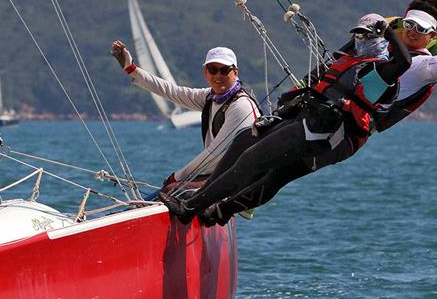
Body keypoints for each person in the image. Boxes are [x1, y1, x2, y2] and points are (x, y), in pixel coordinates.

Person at [194, 10, 437, 226]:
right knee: (251, 146)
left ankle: (215, 207)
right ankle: (216, 203)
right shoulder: (369, 52)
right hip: (317, 120)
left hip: (338, 136)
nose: (413, 31)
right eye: (408, 24)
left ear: (432, 37)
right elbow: (328, 75)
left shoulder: (422, 66)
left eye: (421, 28)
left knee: (274, 174)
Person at [160, 13, 412, 224]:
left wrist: (387, 30)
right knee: (246, 144)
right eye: (359, 34)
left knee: (253, 160)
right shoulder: (353, 58)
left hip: (323, 133)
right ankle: (217, 210)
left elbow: (406, 61)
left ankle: (190, 208)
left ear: (382, 40)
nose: (361, 39)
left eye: (368, 35)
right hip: (305, 117)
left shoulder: (382, 71)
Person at [110, 41, 259, 186]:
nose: (218, 75)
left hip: (240, 181)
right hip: (220, 173)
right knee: (170, 192)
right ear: (205, 72)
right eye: (213, 70)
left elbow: (216, 153)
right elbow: (172, 91)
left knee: (171, 190)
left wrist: (177, 177)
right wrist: (131, 69)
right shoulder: (210, 97)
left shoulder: (241, 106)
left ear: (235, 72)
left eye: (224, 70)